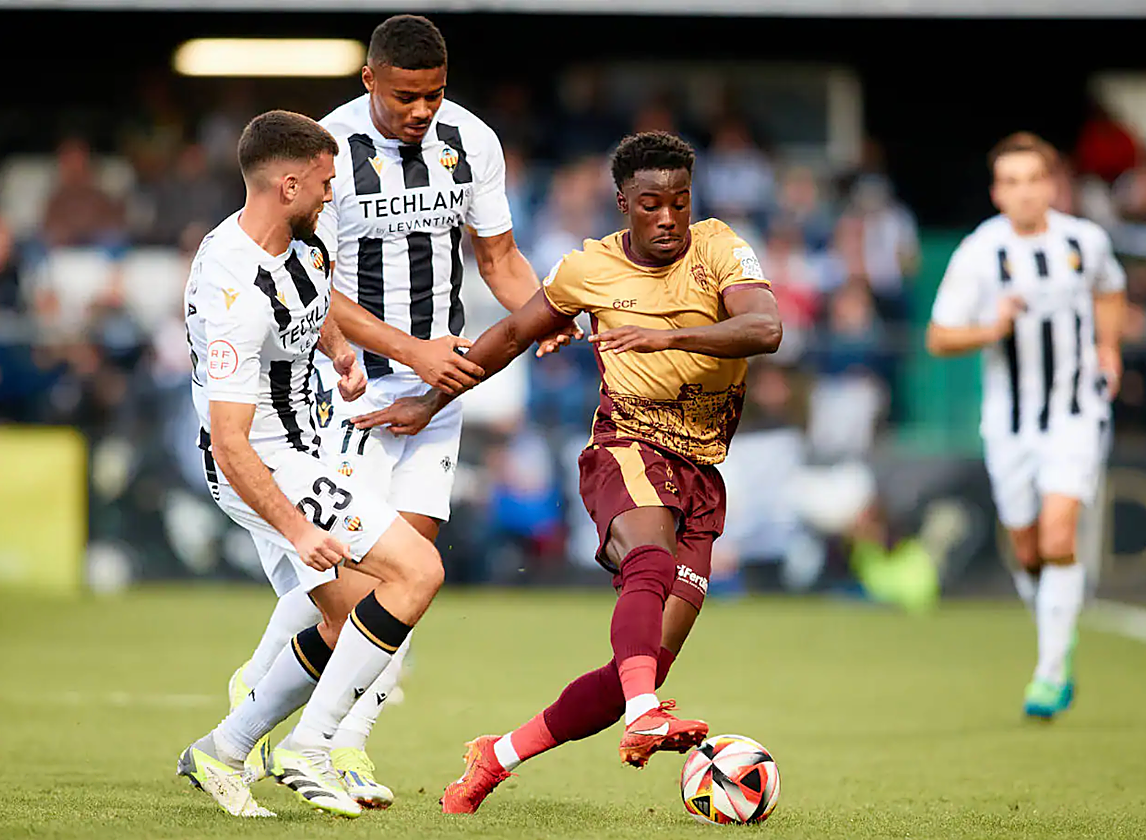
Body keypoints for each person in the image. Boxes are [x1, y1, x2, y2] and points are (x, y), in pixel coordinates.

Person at [352, 130, 783, 813]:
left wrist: (667, 337)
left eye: (679, 201)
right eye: (651, 204)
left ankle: (498, 755)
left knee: (637, 669)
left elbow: (765, 329)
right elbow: (512, 335)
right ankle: (646, 712)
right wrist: (429, 400)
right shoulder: (589, 268)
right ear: (623, 203)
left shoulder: (721, 248)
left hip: (701, 469)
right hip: (626, 444)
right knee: (647, 559)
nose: (668, 217)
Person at [222, 14, 578, 809]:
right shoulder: (326, 154)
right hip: (343, 388)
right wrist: (412, 351)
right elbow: (312, 289)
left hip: (435, 391)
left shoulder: (472, 141)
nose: (421, 111)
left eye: (434, 95)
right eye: (405, 96)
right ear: (370, 80)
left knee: (408, 574)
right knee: (360, 578)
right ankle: (267, 693)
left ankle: (341, 741)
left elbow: (499, 258)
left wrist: (540, 315)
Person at [176, 110, 445, 819]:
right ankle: (310, 747)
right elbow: (230, 441)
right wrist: (297, 530)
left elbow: (313, 301)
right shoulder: (231, 291)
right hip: (266, 463)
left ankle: (225, 749)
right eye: (325, 183)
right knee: (418, 572)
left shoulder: (300, 239)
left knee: (352, 617)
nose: (333, 194)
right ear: (288, 185)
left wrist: (339, 350)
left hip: (310, 444)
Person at [925, 132, 1126, 720]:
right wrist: (993, 328)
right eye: (1011, 182)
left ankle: (1050, 672)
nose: (1024, 192)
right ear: (997, 192)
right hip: (1009, 424)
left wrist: (1109, 347)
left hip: (1076, 412)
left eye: (1034, 179)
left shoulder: (1085, 241)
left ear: (1052, 185)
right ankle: (1057, 635)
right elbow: (939, 337)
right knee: (1029, 549)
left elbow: (1110, 290)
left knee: (1059, 536)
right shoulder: (980, 252)